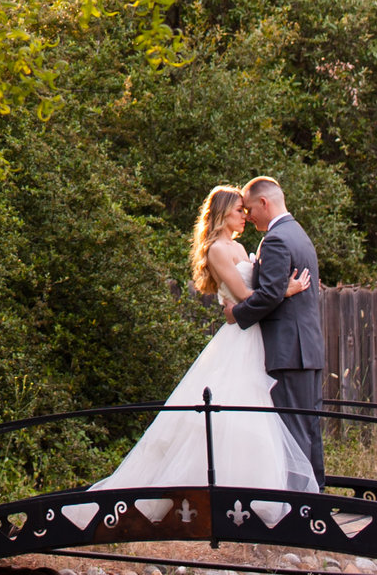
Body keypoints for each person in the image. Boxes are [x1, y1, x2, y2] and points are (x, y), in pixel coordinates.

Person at [62, 184, 314, 525]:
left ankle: (255, 498)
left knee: (253, 420)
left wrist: (269, 294)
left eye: (247, 209)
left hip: (256, 337)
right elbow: (244, 295)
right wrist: (284, 290)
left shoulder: (243, 246)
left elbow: (251, 297)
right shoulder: (217, 250)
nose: (246, 215)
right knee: (226, 415)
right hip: (239, 338)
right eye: (240, 210)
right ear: (224, 212)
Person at [228, 175, 326, 486]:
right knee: (309, 427)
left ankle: (300, 509)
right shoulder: (299, 234)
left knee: (292, 430)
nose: (247, 215)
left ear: (264, 203)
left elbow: (270, 294)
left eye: (248, 208)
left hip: (288, 350)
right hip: (307, 349)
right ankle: (316, 498)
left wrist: (236, 314)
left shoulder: (276, 239)